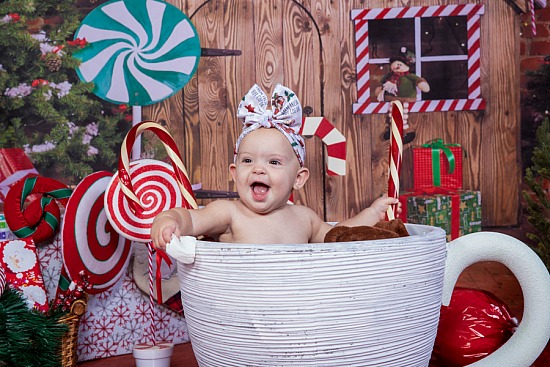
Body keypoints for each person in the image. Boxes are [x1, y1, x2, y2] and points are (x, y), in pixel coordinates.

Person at [151, 84, 399, 250]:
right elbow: (192, 220)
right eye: (248, 161)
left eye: (273, 162)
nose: (258, 169)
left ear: (298, 178)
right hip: (248, 310)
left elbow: (338, 236)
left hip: (295, 310)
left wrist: (371, 214)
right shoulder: (228, 213)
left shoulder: (304, 218)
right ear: (234, 174)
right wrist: (170, 221)